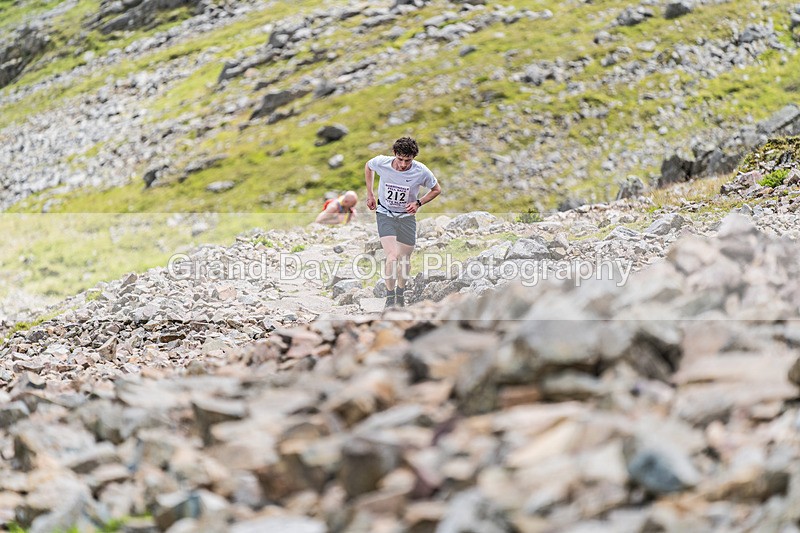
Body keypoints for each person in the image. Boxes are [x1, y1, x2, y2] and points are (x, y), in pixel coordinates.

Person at [365, 137, 442, 308]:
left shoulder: (421, 171)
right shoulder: (382, 162)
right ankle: (390, 297)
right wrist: (370, 194)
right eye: (400, 159)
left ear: (413, 158)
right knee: (392, 256)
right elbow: (368, 166)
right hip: (385, 213)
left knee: (405, 259)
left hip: (406, 217)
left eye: (408, 160)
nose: (403, 164)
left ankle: (400, 293)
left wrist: (418, 203)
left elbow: (436, 189)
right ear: (394, 154)